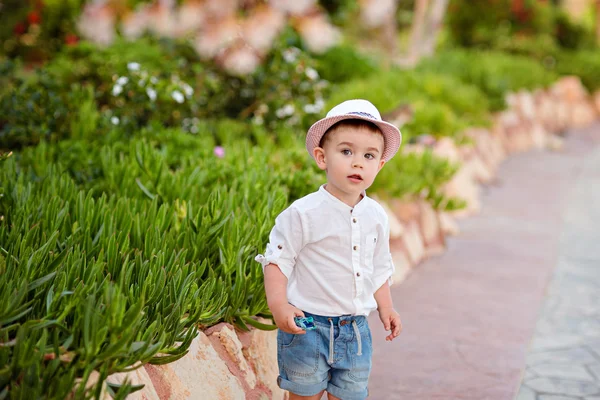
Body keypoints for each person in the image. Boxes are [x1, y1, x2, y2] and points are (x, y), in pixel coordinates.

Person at [255, 99, 403, 400]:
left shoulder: (376, 216)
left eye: (369, 155)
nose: (357, 162)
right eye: (346, 151)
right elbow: (277, 261)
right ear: (322, 157)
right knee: (304, 395)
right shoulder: (304, 212)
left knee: (350, 395)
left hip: (356, 331)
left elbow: (378, 267)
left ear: (380, 165)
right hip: (308, 327)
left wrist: (386, 307)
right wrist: (279, 305)